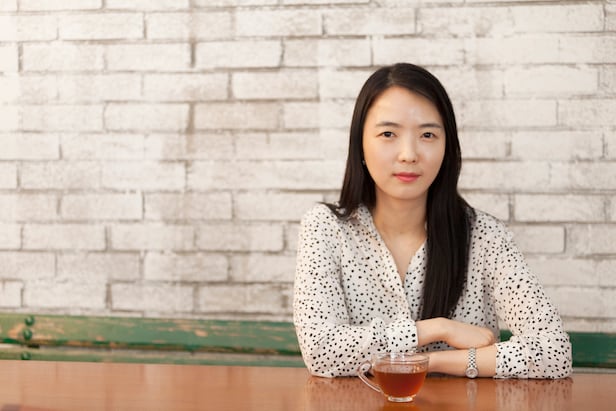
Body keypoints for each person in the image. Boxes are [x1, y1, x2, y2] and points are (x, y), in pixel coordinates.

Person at [292, 63, 572, 379]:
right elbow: (321, 351)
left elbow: (553, 354)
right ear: (360, 143)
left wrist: (427, 362)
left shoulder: (485, 236)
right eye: (388, 134)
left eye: (427, 134)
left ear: (446, 146)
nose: (409, 154)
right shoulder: (326, 228)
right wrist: (438, 329)